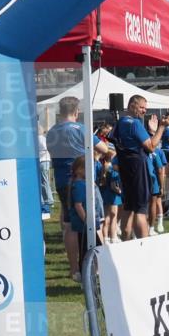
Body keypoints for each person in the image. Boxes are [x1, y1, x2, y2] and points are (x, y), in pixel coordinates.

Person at [46, 96, 108, 280]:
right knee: (93, 220)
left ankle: (74, 269)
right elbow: (103, 148)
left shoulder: (51, 132)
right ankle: (97, 267)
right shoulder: (81, 129)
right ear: (76, 112)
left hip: (62, 180)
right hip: (82, 181)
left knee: (68, 225)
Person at [114, 95, 168, 239]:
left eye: (145, 108)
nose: (144, 111)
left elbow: (113, 141)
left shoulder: (120, 122)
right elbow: (150, 146)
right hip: (138, 167)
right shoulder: (134, 123)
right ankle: (143, 245)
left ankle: (126, 242)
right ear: (132, 105)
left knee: (128, 207)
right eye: (142, 107)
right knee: (140, 209)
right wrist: (162, 127)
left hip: (125, 166)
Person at [67, 156, 103, 279]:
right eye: (87, 167)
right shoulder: (79, 185)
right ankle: (86, 274)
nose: (91, 170)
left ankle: (93, 272)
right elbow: (78, 205)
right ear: (78, 170)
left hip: (88, 225)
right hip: (85, 226)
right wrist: (88, 222)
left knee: (93, 248)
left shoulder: (83, 184)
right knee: (91, 250)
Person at [99, 149, 122, 244]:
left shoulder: (103, 169)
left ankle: (105, 238)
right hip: (113, 197)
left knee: (106, 217)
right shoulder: (113, 170)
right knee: (113, 217)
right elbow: (113, 186)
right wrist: (120, 191)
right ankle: (113, 237)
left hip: (104, 195)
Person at [37, 125, 53, 221]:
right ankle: (48, 201)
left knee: (42, 182)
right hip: (44, 161)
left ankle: (45, 201)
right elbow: (47, 148)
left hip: (40, 161)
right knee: (45, 181)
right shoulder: (43, 139)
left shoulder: (36, 140)